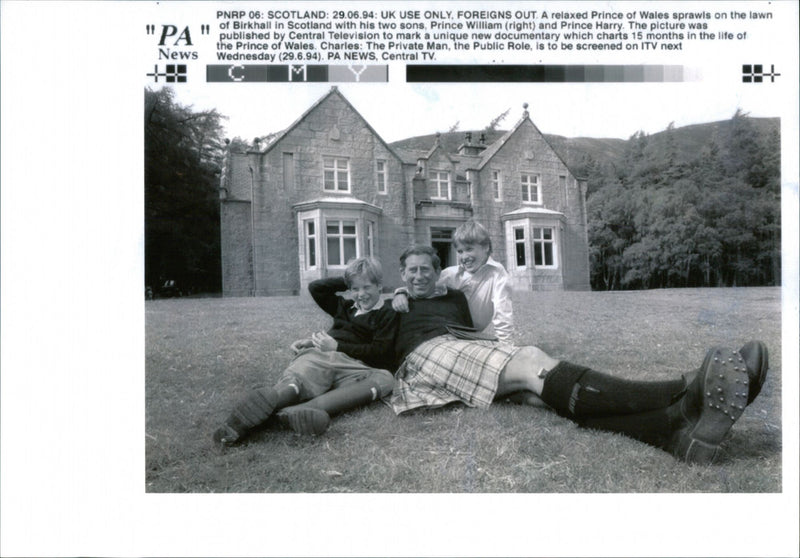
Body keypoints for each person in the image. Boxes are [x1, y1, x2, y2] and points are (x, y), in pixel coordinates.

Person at [390, 245, 769, 464]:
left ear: (439, 272)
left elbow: (485, 289)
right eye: (410, 271)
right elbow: (332, 292)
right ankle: (683, 389)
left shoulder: (454, 297)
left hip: (467, 348)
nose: (418, 276)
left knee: (542, 394)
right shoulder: (389, 306)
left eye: (426, 269)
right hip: (428, 356)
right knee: (531, 363)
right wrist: (393, 295)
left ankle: (678, 432)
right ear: (401, 274)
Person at [213, 257, 396, 445]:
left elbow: (380, 350)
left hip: (354, 367)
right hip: (322, 356)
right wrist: (351, 279)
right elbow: (316, 288)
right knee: (299, 380)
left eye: (367, 287)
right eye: (355, 289)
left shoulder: (387, 312)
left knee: (385, 379)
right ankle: (250, 415)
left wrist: (338, 347)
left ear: (379, 286)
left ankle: (296, 413)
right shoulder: (345, 306)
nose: (361, 294)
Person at [392, 220, 542, 407]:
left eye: (469, 249)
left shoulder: (498, 275)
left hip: (470, 334)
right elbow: (421, 284)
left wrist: (506, 349)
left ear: (486, 248)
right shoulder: (451, 274)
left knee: (501, 366)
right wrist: (400, 292)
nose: (464, 256)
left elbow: (503, 315)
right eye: (460, 251)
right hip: (449, 335)